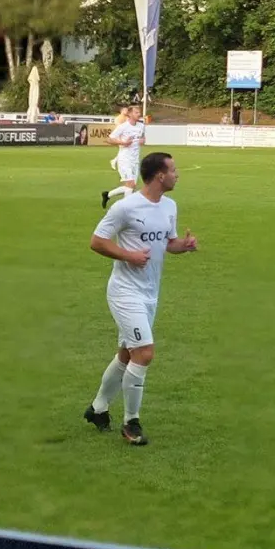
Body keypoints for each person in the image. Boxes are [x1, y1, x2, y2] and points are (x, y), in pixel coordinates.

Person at [83, 152, 199, 446]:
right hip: (124, 292)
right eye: (173, 170)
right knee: (144, 353)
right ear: (160, 176)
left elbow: (167, 243)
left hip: (150, 293)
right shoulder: (127, 207)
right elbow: (97, 241)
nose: (177, 174)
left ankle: (98, 409)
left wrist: (183, 246)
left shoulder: (170, 206)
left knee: (127, 354)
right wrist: (128, 255)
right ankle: (130, 423)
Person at [101, 107, 147, 209]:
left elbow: (143, 137)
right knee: (130, 184)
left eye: (139, 112)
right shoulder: (123, 127)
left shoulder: (141, 126)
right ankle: (126, 209)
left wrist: (143, 141)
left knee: (130, 187)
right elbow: (109, 139)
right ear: (129, 114)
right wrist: (123, 143)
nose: (139, 114)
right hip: (124, 159)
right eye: (136, 112)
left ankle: (107, 195)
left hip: (135, 160)